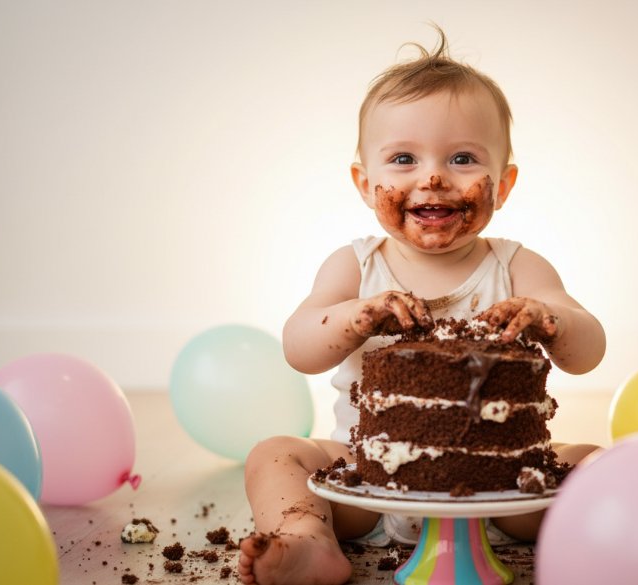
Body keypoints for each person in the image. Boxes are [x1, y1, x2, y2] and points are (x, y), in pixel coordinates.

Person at [238, 26, 606, 585]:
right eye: (403, 158)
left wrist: (549, 318)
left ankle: (598, 539)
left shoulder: (516, 268)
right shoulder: (355, 267)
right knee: (274, 454)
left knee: (597, 462)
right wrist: (355, 316)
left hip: (505, 488)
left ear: (503, 185)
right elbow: (299, 346)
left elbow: (589, 348)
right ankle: (309, 542)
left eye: (462, 158)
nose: (432, 177)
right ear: (365, 183)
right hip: (368, 480)